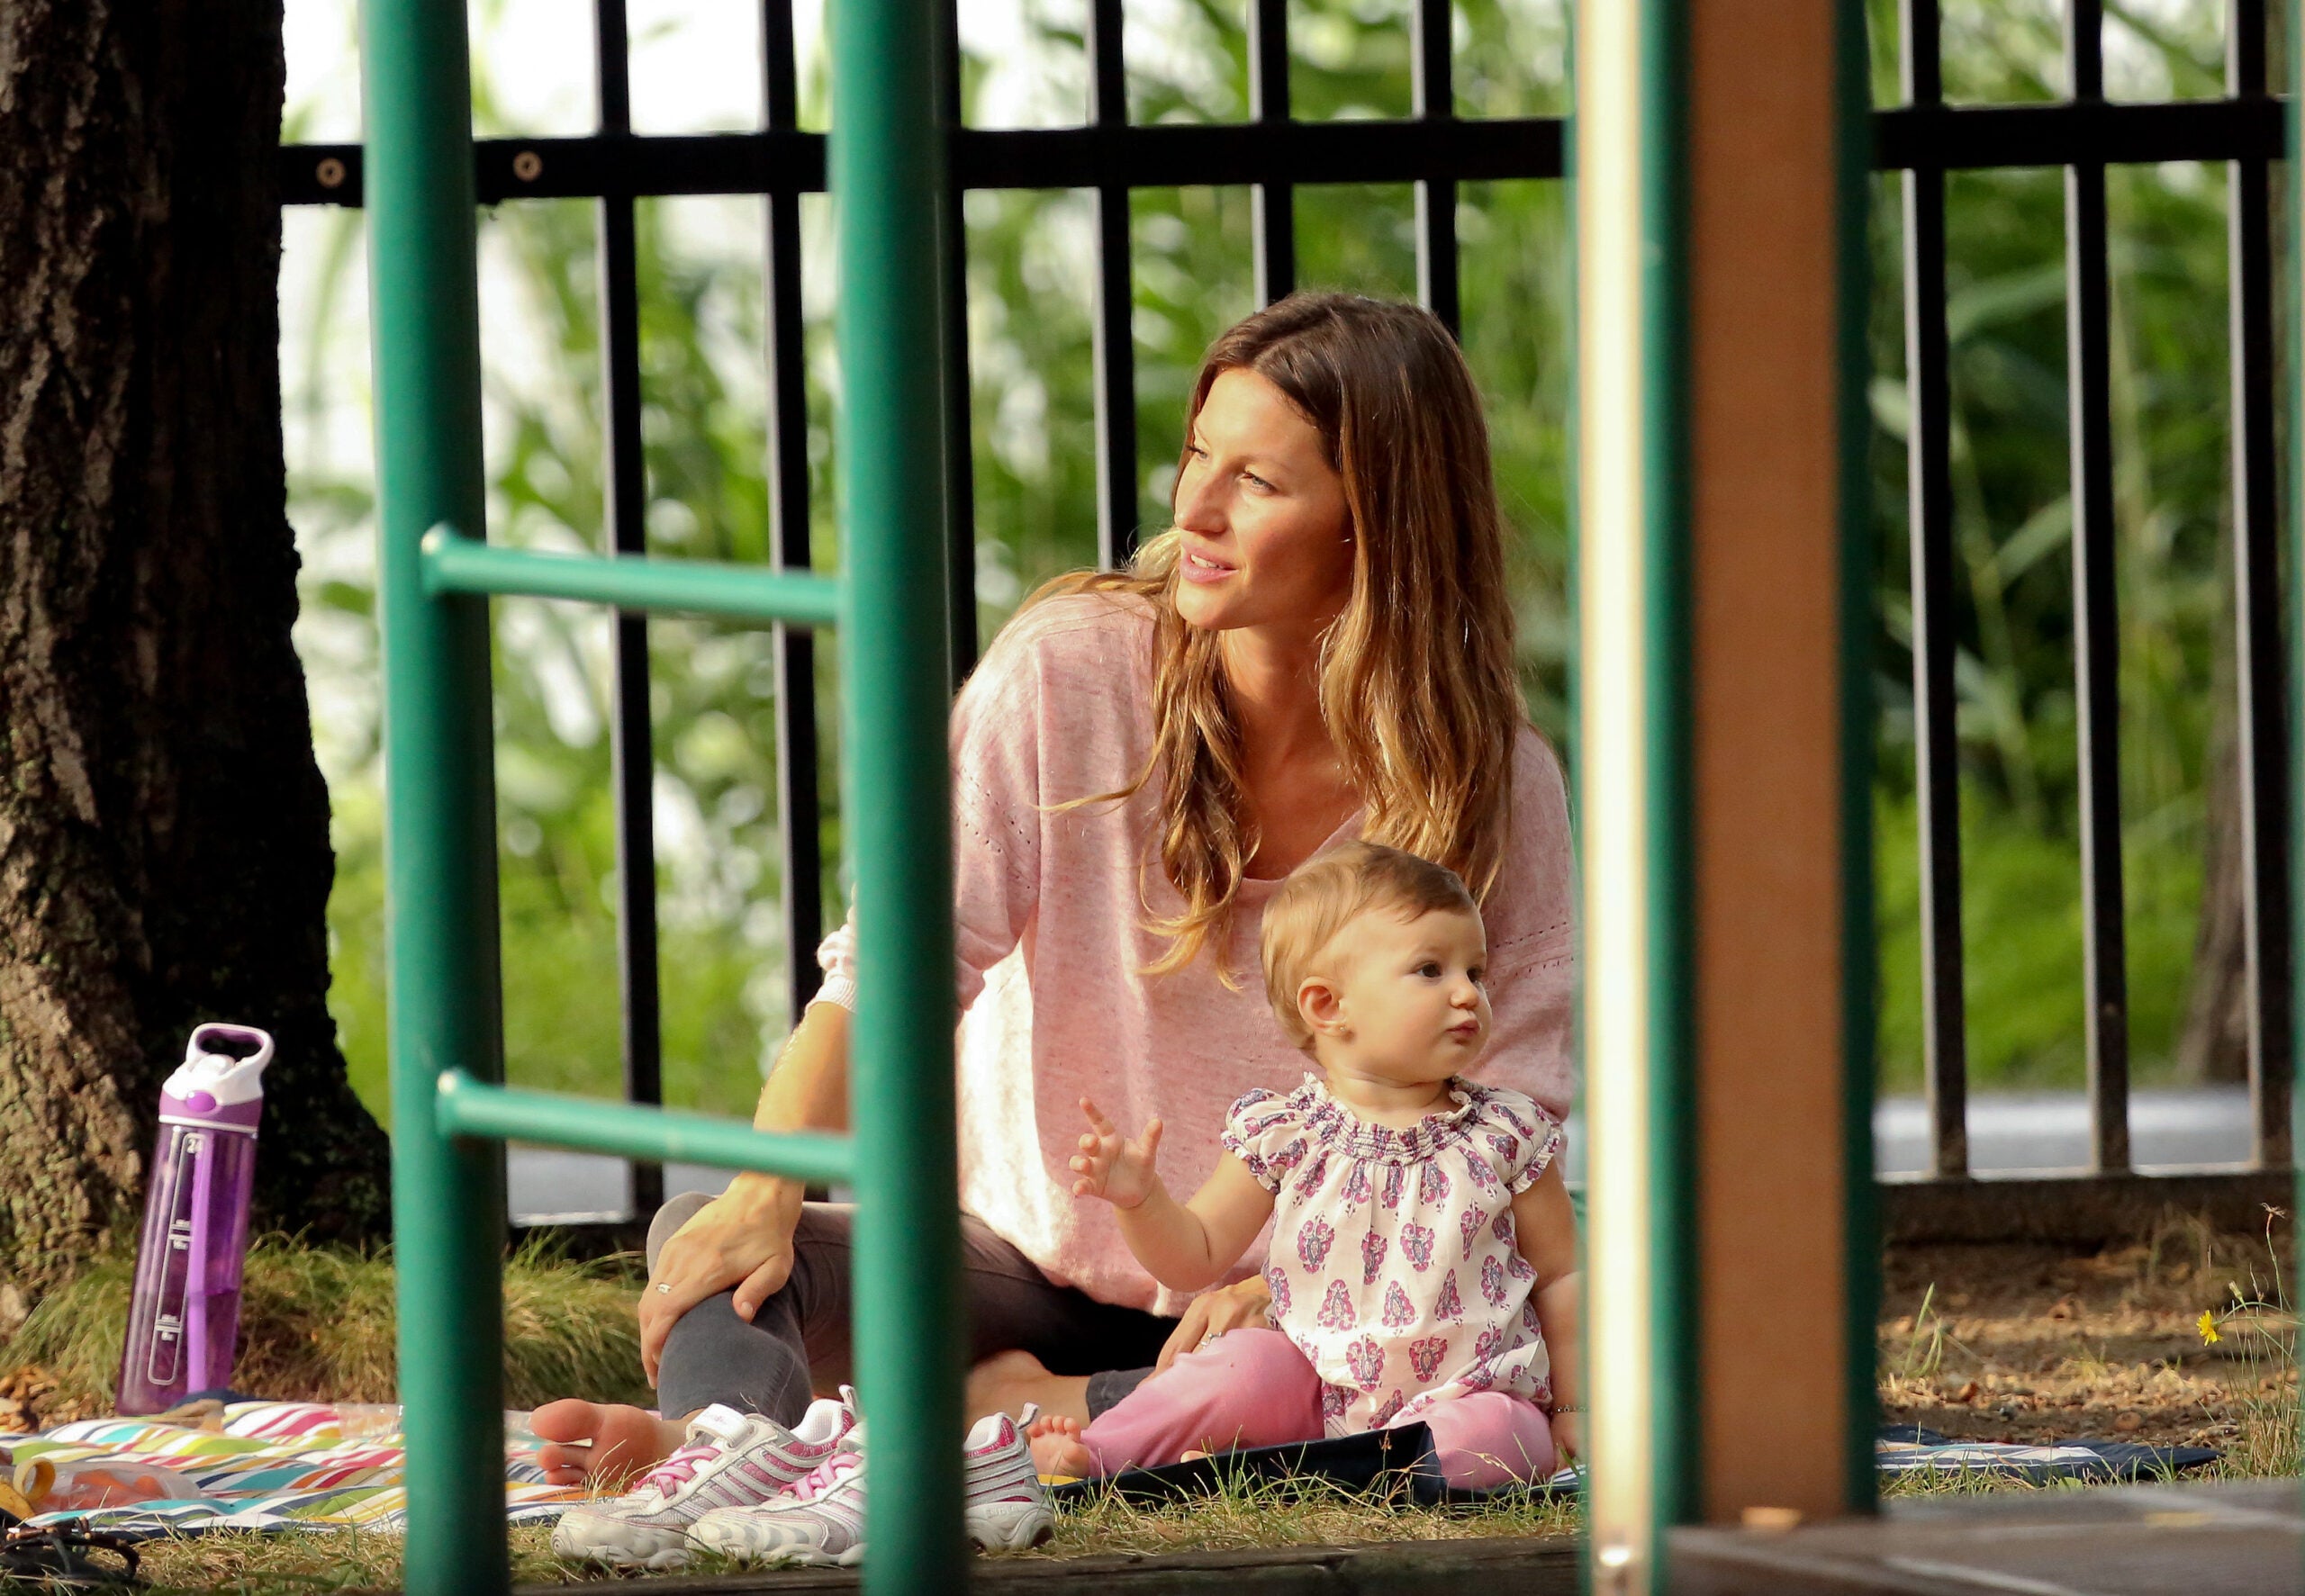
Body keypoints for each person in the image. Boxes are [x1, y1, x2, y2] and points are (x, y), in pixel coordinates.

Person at [529, 292, 1577, 1496]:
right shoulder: (1069, 673)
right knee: (717, 1244)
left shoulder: (1495, 782)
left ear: (1372, 525)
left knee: (1388, 1388)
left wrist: (1297, 1280)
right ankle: (719, 1451)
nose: (1194, 509)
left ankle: (1000, 1423)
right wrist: (768, 1195)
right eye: (1197, 455)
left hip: (1314, 1326)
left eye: (1259, 482)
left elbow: (1509, 1112)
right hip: (1027, 1268)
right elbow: (901, 965)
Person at [1026, 842, 1580, 1488]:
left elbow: (1563, 1278)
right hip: (1314, 1392)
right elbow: (1195, 1254)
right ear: (1326, 1005)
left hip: (1467, 1395)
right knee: (1243, 1366)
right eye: (1431, 970)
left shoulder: (1505, 1134)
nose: (1467, 993)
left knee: (1498, 1434)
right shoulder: (1289, 1134)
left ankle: (1302, 1472)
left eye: (1475, 971)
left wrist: (1575, 1408)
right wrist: (1141, 1202)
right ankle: (1097, 1455)